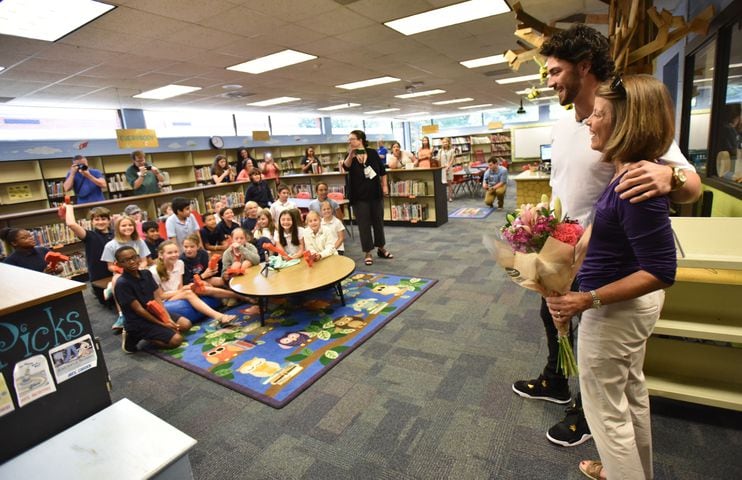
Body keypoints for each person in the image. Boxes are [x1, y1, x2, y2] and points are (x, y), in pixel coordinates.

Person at [512, 24, 700, 451]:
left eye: (557, 71)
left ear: (584, 68)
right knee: (553, 317)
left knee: (594, 338)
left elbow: (692, 187)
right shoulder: (563, 125)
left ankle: (585, 410)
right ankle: (555, 381)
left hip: (607, 253)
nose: (550, 80)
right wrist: (540, 231)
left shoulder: (624, 115)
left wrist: (668, 175)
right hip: (565, 242)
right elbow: (566, 187)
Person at [546, 74, 678, 480]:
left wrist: (587, 300)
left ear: (626, 123)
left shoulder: (635, 183)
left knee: (606, 415)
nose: (590, 120)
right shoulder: (626, 173)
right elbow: (605, 234)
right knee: (630, 397)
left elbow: (660, 270)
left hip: (615, 311)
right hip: (624, 309)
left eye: (600, 114)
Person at [113, 246, 192, 354]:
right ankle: (134, 335)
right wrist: (163, 324)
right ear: (119, 264)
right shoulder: (122, 284)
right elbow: (139, 310)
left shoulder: (146, 273)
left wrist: (167, 318)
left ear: (139, 258)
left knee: (186, 324)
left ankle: (157, 332)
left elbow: (157, 298)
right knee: (176, 340)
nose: (132, 262)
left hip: (154, 312)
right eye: (126, 260)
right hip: (138, 320)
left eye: (134, 257)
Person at [150, 240, 238, 326]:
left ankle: (239, 295)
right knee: (188, 293)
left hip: (179, 293)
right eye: (169, 253)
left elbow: (180, 286)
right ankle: (220, 317)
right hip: (166, 300)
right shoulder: (153, 272)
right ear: (161, 255)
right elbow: (161, 296)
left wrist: (189, 287)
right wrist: (183, 290)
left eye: (176, 252)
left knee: (201, 287)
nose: (174, 255)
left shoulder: (179, 263)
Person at [343, 129, 392, 266]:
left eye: (352, 139)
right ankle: (368, 252)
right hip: (359, 197)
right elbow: (345, 167)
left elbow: (382, 171)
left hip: (375, 194)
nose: (350, 141)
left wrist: (385, 186)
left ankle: (381, 248)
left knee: (378, 222)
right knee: (364, 226)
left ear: (360, 140)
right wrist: (351, 155)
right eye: (349, 139)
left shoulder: (372, 153)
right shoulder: (350, 155)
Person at [101, 215, 154, 332]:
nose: (127, 227)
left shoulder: (139, 241)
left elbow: (144, 260)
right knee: (117, 281)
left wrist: (138, 268)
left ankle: (154, 305)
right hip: (122, 271)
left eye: (130, 225)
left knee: (151, 273)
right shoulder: (110, 245)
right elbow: (110, 266)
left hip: (139, 268)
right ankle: (121, 315)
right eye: (124, 225)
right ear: (117, 228)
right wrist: (124, 270)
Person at [65, 205, 114, 304]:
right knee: (109, 303)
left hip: (117, 273)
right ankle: (95, 290)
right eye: (97, 219)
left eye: (103, 219)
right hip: (100, 277)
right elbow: (71, 224)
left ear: (109, 220)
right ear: (92, 222)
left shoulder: (115, 234)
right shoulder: (90, 236)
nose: (100, 222)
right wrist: (68, 207)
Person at [435, 137, 456, 202]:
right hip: (442, 169)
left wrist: (448, 167)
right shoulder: (440, 151)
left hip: (449, 169)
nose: (445, 143)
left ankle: (450, 197)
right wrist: (441, 166)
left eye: (446, 142)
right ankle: (443, 197)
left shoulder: (452, 150)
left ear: (448, 143)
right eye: (443, 142)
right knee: (442, 184)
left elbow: (452, 159)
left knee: (449, 184)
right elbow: (438, 159)